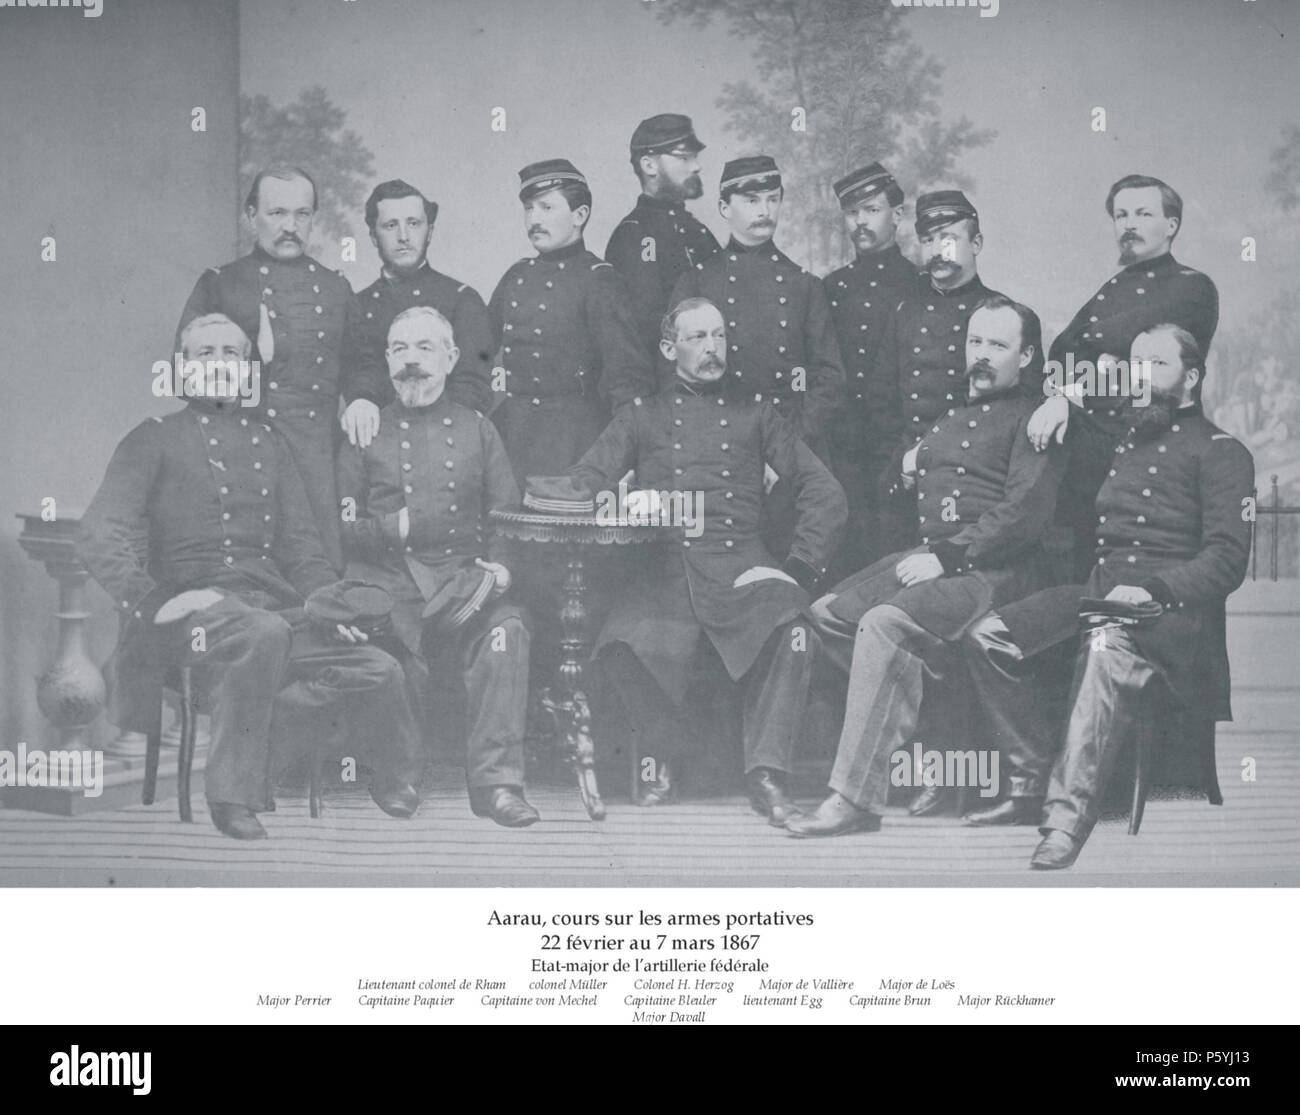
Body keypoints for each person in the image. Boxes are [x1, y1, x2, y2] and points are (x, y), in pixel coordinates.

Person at [79, 314, 425, 840]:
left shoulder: (270, 443)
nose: (219, 363)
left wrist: (332, 608)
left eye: (232, 354)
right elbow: (100, 534)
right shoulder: (151, 440)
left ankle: (387, 776)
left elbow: (303, 550)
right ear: (181, 368)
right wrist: (153, 601)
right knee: (266, 633)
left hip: (270, 612)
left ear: (246, 370)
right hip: (189, 618)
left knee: (376, 666)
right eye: (205, 353)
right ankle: (232, 795)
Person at [959, 325, 1253, 867]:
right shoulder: (1122, 438)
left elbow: (1228, 561)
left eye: (1156, 365)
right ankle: (1029, 778)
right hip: (1097, 594)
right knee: (989, 636)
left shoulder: (1222, 453)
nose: (1139, 377)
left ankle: (1064, 823)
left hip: (1166, 615)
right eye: (1134, 365)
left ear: (1191, 377)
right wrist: (1063, 401)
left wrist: (1154, 589)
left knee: (1102, 645)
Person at [558, 296, 846, 823]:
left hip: (741, 566)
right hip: (663, 568)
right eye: (697, 338)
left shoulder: (758, 414)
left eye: (718, 336)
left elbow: (823, 490)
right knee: (621, 644)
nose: (713, 349)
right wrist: (615, 499)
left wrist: (797, 570)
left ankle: (766, 773)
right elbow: (584, 481)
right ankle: (660, 755)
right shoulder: (641, 416)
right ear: (669, 348)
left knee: (795, 630)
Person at [788, 296, 1064, 838]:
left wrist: (949, 556)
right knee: (823, 615)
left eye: (998, 345)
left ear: (1028, 357)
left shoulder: (1037, 418)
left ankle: (855, 799)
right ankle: (928, 728)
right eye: (975, 343)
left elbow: (1023, 515)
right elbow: (902, 490)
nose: (980, 356)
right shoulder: (951, 416)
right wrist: (911, 461)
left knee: (883, 625)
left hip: (994, 574)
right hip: (937, 564)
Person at [336, 307, 538, 827]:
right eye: (400, 349)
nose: (411, 362)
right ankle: (397, 775)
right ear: (386, 359)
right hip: (391, 582)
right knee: (394, 643)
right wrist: (396, 529)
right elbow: (340, 526)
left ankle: (497, 785)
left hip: (465, 582)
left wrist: (502, 571)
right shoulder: (366, 429)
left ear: (450, 358)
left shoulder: (478, 429)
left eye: (424, 349)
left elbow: (509, 516)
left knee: (508, 632)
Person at [1026, 174, 1220, 582]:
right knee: (1077, 572)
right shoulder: (1112, 288)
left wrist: (1095, 356)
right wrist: (1060, 397)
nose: (1128, 224)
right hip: (1095, 446)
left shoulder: (1194, 286)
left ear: (1171, 225)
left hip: (1155, 445)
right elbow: (1063, 348)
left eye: (1143, 214)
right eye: (1121, 215)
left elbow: (1139, 349)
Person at [176, 166, 356, 570]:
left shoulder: (335, 288)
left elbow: (363, 368)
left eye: (302, 214)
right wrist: (257, 364)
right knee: (248, 572)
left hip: (317, 460)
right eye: (277, 214)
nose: (290, 226)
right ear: (251, 216)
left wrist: (362, 399)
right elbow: (183, 378)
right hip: (241, 452)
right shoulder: (220, 283)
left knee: (318, 571)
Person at [488, 158, 657, 485]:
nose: (534, 219)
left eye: (547, 208)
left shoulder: (599, 282)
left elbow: (628, 378)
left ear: (580, 215)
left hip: (577, 444)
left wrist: (631, 453)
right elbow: (477, 354)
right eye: (529, 209)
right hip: (511, 439)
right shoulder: (516, 277)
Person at [873, 190, 1012, 554]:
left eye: (948, 239)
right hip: (906, 480)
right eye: (927, 240)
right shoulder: (905, 312)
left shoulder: (1003, 316)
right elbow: (882, 403)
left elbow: (1015, 415)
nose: (936, 250)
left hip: (970, 487)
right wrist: (896, 467)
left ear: (976, 242)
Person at [822, 162, 927, 577]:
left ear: (897, 215)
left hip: (899, 446)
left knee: (896, 553)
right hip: (843, 450)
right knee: (845, 553)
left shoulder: (920, 285)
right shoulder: (831, 288)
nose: (860, 222)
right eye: (852, 213)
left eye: (871, 210)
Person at [339, 179, 495, 450]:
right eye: (390, 225)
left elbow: (475, 386)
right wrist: (361, 399)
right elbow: (356, 373)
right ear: (374, 237)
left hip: (445, 445)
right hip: (378, 443)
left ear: (430, 231)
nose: (403, 236)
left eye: (413, 223)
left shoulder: (461, 299)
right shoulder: (357, 305)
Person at [605, 114, 720, 365]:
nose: (696, 166)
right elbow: (643, 330)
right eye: (683, 157)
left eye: (695, 157)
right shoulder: (634, 235)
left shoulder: (699, 232)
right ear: (649, 165)